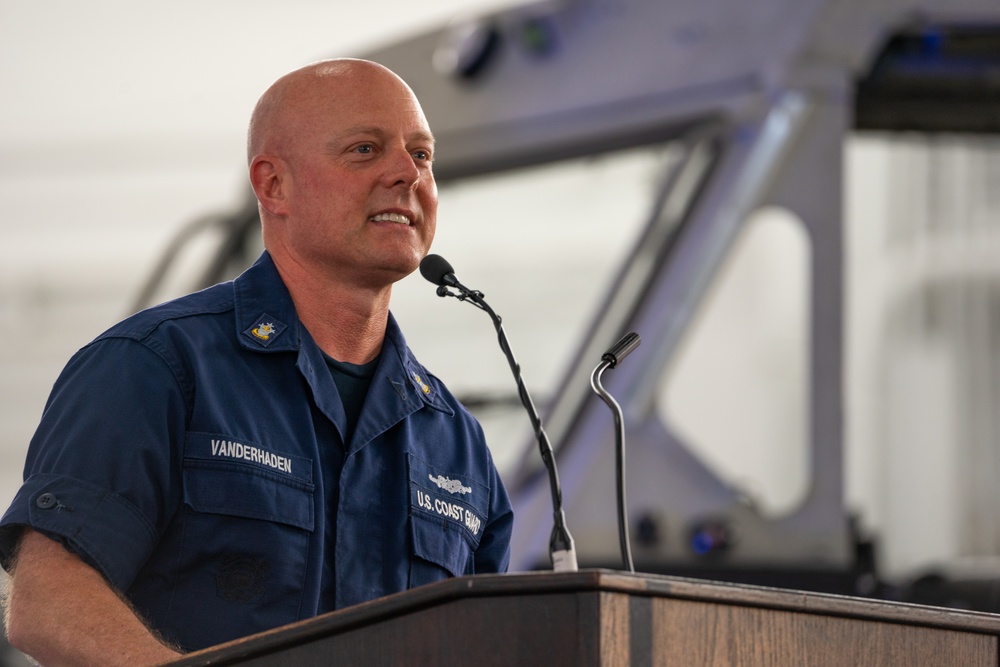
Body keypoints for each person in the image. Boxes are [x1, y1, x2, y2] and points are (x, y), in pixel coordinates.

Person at [0, 58, 514, 665]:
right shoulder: (155, 367)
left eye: (422, 155)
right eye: (364, 149)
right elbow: (48, 603)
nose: (406, 173)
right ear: (274, 185)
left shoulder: (456, 443)